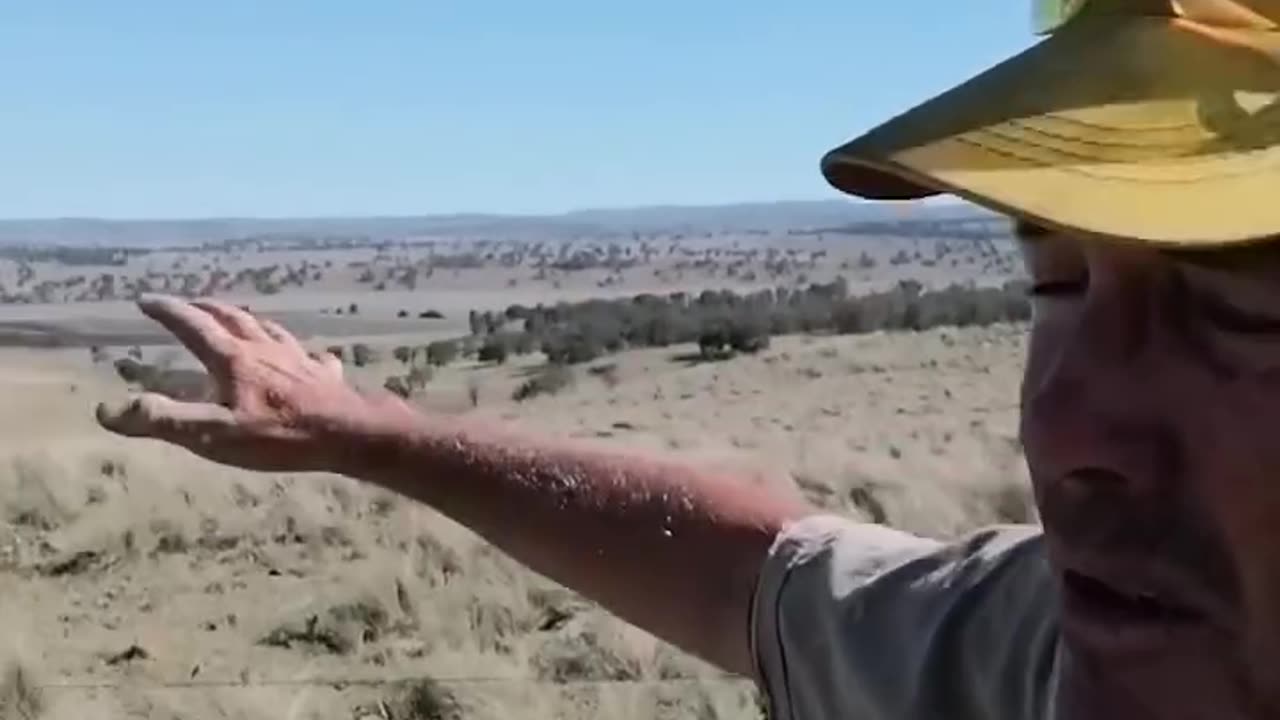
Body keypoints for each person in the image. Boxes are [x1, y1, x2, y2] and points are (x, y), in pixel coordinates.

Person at [94, 1, 1280, 717]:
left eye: (1240, 305)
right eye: (1053, 285)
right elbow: (750, 577)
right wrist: (370, 433)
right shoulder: (1025, 661)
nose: (1066, 430)